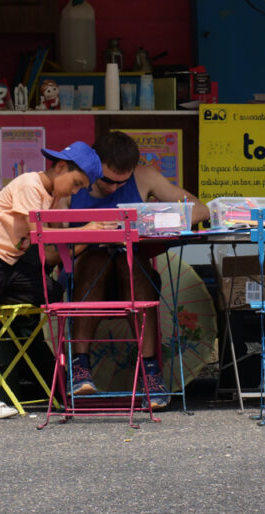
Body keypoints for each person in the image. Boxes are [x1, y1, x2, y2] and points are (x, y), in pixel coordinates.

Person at [67, 130, 210, 407]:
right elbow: (52, 235)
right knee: (97, 258)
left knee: (129, 259)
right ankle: (80, 364)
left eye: (122, 183)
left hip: (131, 271)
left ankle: (149, 369)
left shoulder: (144, 176)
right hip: (86, 274)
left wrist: (154, 219)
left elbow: (200, 210)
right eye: (107, 180)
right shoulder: (73, 183)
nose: (113, 188)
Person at [0, 141, 102, 419]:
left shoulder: (50, 196)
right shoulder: (29, 184)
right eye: (75, 183)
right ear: (60, 167)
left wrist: (85, 231)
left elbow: (49, 246)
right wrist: (86, 230)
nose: (74, 191)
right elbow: (39, 235)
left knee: (48, 292)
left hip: (8, 263)